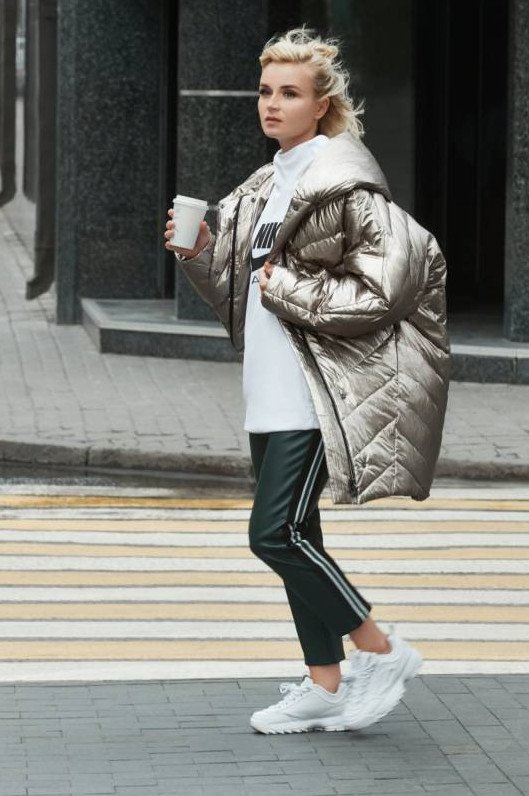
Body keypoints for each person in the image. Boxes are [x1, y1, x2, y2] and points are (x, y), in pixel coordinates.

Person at [164, 27, 450, 735]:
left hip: (315, 392)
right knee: (300, 534)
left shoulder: (346, 186)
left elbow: (384, 289)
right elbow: (243, 289)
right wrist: (202, 253)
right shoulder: (268, 183)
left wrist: (287, 286)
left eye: (289, 93)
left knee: (273, 535)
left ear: (321, 106)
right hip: (267, 387)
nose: (272, 104)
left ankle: (380, 649)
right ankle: (324, 684)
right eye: (265, 91)